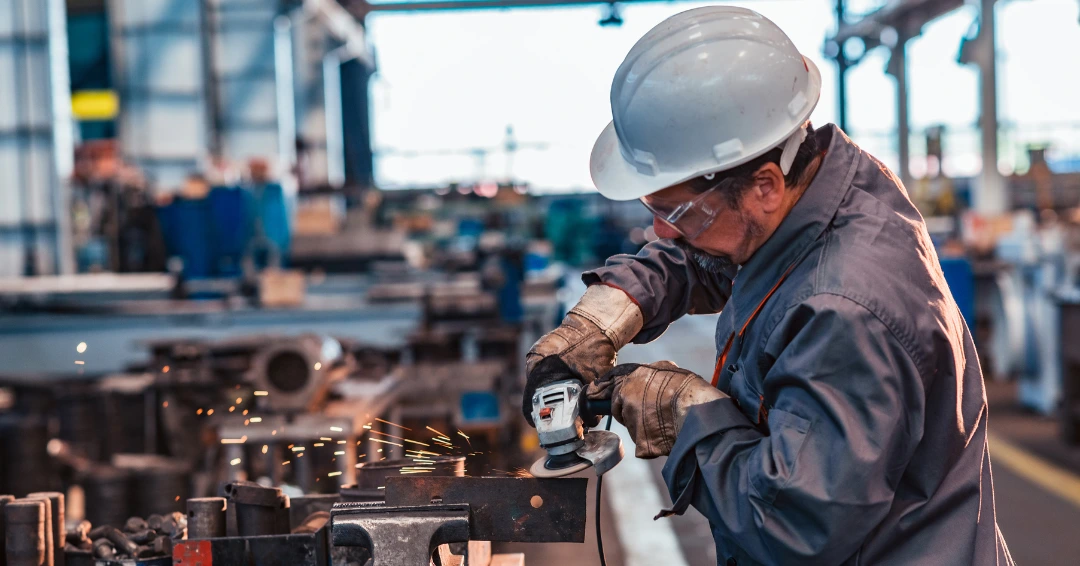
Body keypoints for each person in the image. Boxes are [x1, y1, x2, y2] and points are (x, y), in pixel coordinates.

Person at [522, 7, 1014, 565]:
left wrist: (685, 412)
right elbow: (704, 259)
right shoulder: (818, 192)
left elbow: (789, 524)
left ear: (764, 185)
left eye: (676, 210)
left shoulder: (844, 311)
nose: (661, 231)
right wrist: (607, 313)